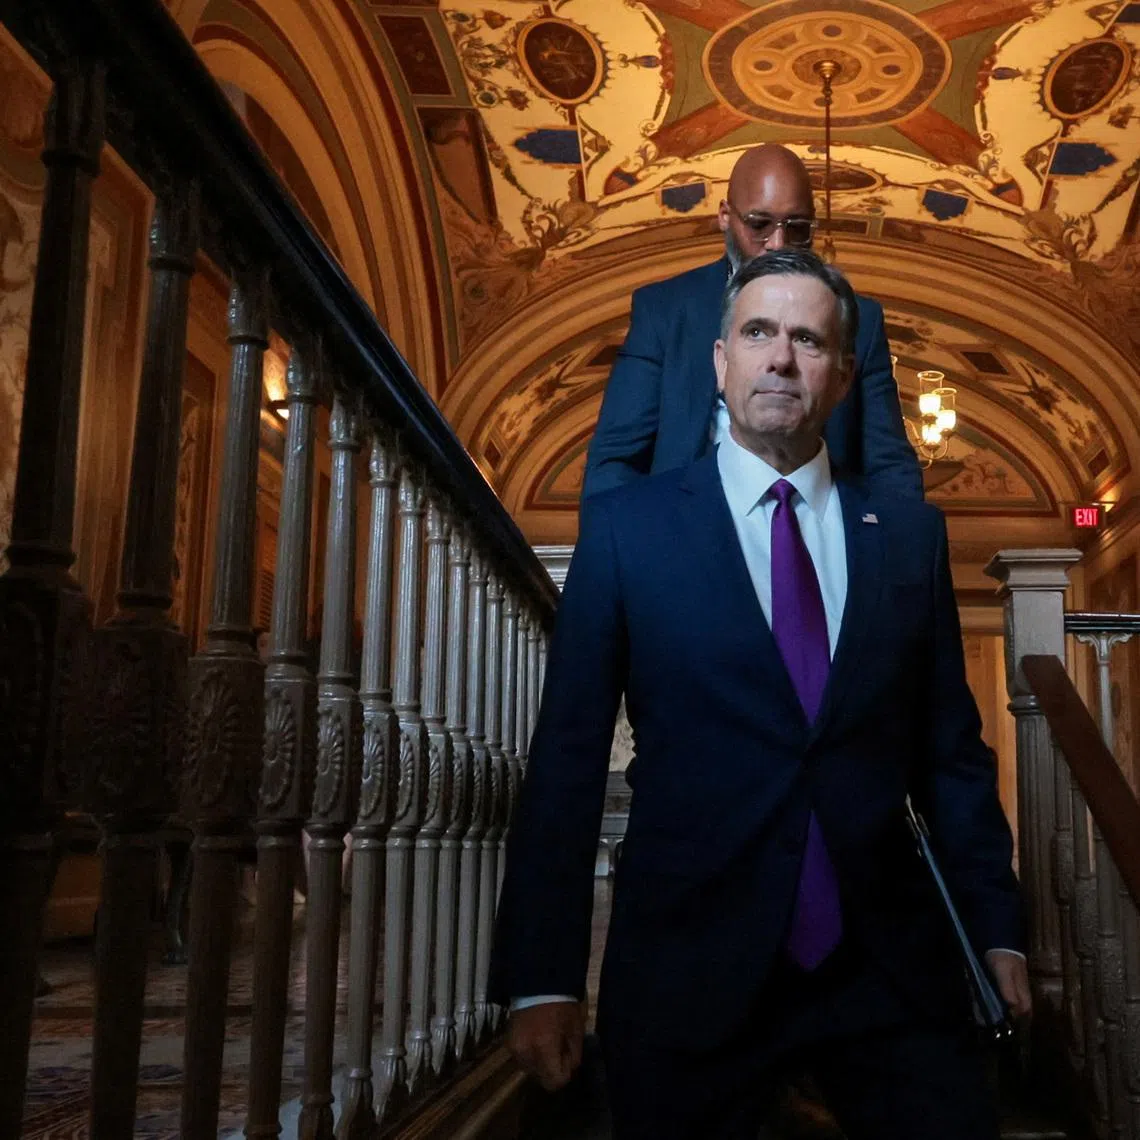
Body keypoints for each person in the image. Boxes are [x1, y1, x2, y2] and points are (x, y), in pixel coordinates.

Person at [492, 249, 1030, 1140]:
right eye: (758, 333)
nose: (780, 358)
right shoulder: (630, 532)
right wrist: (542, 974)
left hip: (888, 972)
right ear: (720, 361)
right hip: (689, 967)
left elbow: (952, 758)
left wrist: (997, 928)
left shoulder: (906, 538)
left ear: (844, 374)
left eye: (808, 339)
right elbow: (567, 761)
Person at [582, 144, 922, 503]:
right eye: (759, 224)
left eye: (798, 228)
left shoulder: (862, 320)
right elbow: (614, 465)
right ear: (726, 216)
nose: (778, 245)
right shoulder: (666, 310)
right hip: (685, 532)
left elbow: (890, 466)